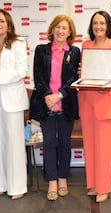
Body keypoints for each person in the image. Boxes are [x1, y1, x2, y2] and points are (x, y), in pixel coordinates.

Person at [29, 14, 81, 201]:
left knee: (65, 143)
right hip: (45, 104)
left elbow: (74, 79)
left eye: (64, 28)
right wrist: (48, 97)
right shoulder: (41, 50)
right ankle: (51, 182)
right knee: (50, 143)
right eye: (58, 27)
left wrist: (59, 95)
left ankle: (63, 180)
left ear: (69, 32)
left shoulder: (74, 52)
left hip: (65, 103)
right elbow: (38, 77)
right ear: (52, 29)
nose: (60, 31)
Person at [78, 10, 111, 203]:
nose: (98, 27)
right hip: (87, 99)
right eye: (95, 23)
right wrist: (82, 71)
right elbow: (84, 70)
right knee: (89, 145)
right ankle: (93, 184)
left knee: (104, 147)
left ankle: (104, 187)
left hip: (105, 99)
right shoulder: (86, 45)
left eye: (102, 23)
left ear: (108, 26)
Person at [0, 8, 29, 200]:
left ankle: (16, 186)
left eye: (1, 21)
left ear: (8, 24)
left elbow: (21, 71)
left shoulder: (18, 43)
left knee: (14, 144)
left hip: (11, 99)